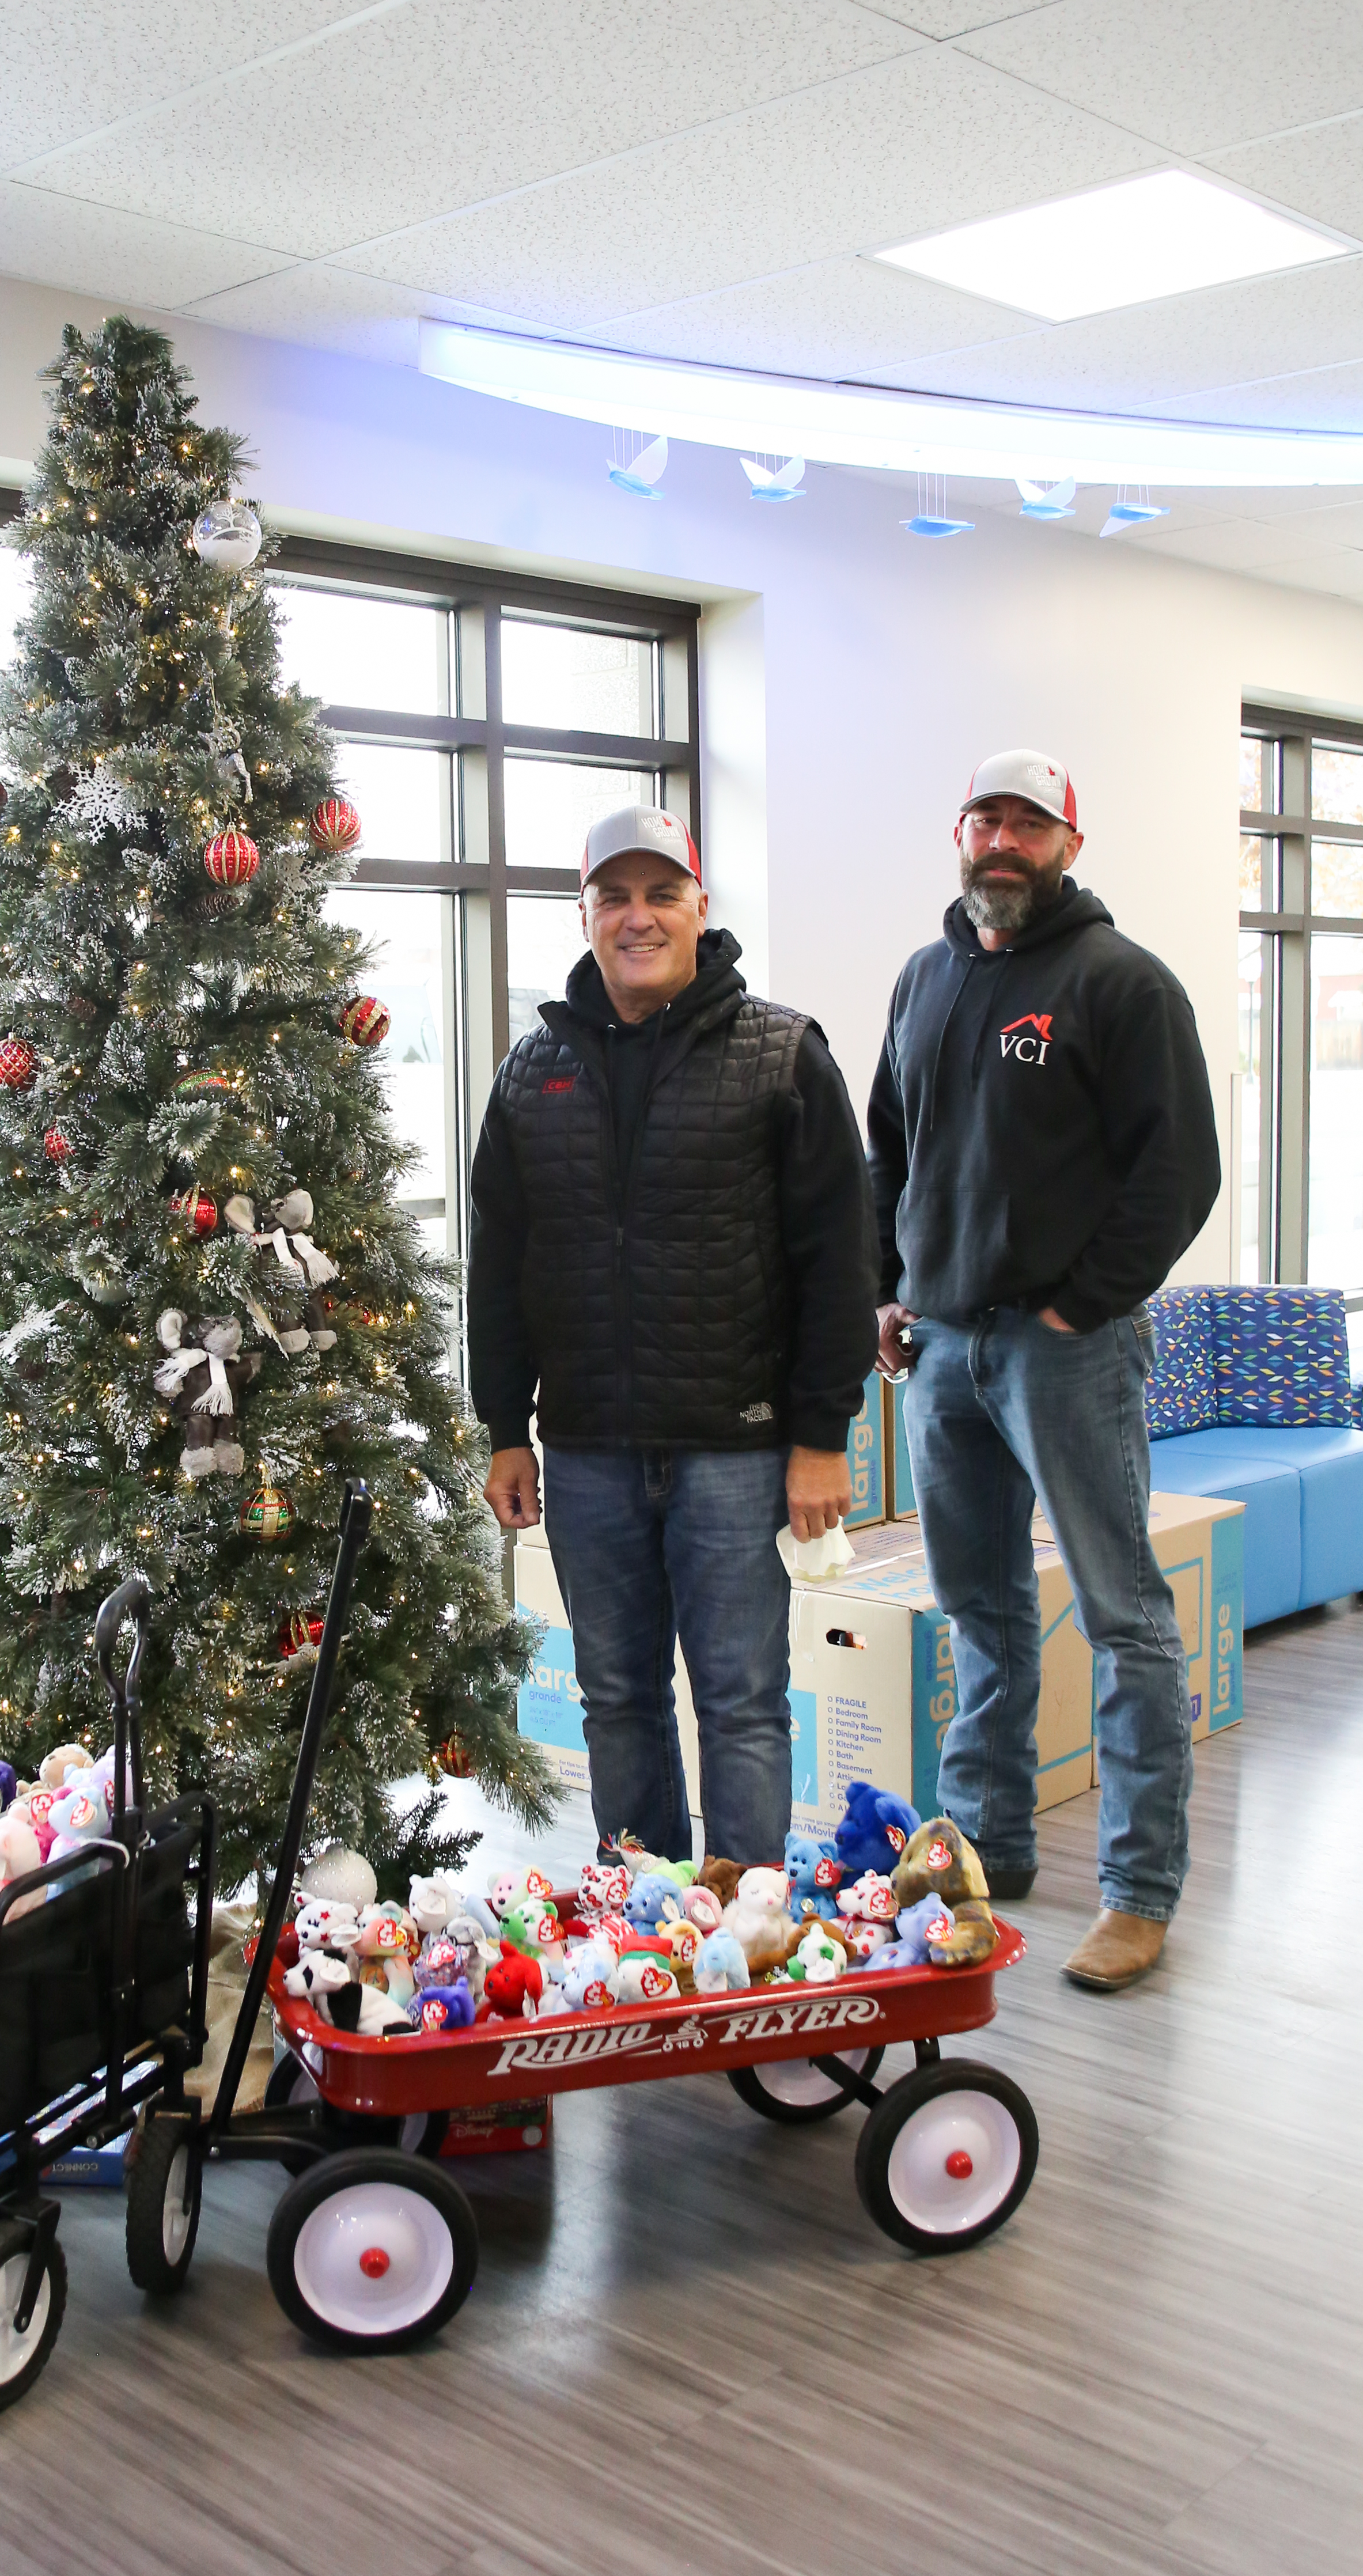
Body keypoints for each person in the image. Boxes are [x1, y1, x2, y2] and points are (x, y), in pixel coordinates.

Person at [467, 802, 880, 1867]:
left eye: (661, 894)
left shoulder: (781, 1053)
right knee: (616, 1700)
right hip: (591, 1448)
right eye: (615, 896)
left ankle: (744, 1941)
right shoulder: (530, 1074)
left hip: (735, 1450)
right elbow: (501, 1271)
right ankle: (645, 1934)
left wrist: (821, 1433)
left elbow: (840, 1259)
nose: (637, 917)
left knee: (741, 1702)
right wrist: (503, 1428)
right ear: (585, 913)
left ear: (700, 906)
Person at [868, 749, 1220, 1993]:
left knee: (1123, 1619)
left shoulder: (1122, 983)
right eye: (985, 817)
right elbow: (888, 1152)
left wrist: (1081, 1306)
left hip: (1064, 1351)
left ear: (1070, 843)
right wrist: (890, 1287)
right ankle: (987, 1846)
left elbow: (1179, 1175)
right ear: (958, 834)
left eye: (1029, 821)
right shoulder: (927, 976)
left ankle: (1138, 1891)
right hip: (943, 1347)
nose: (1003, 838)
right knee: (983, 1615)